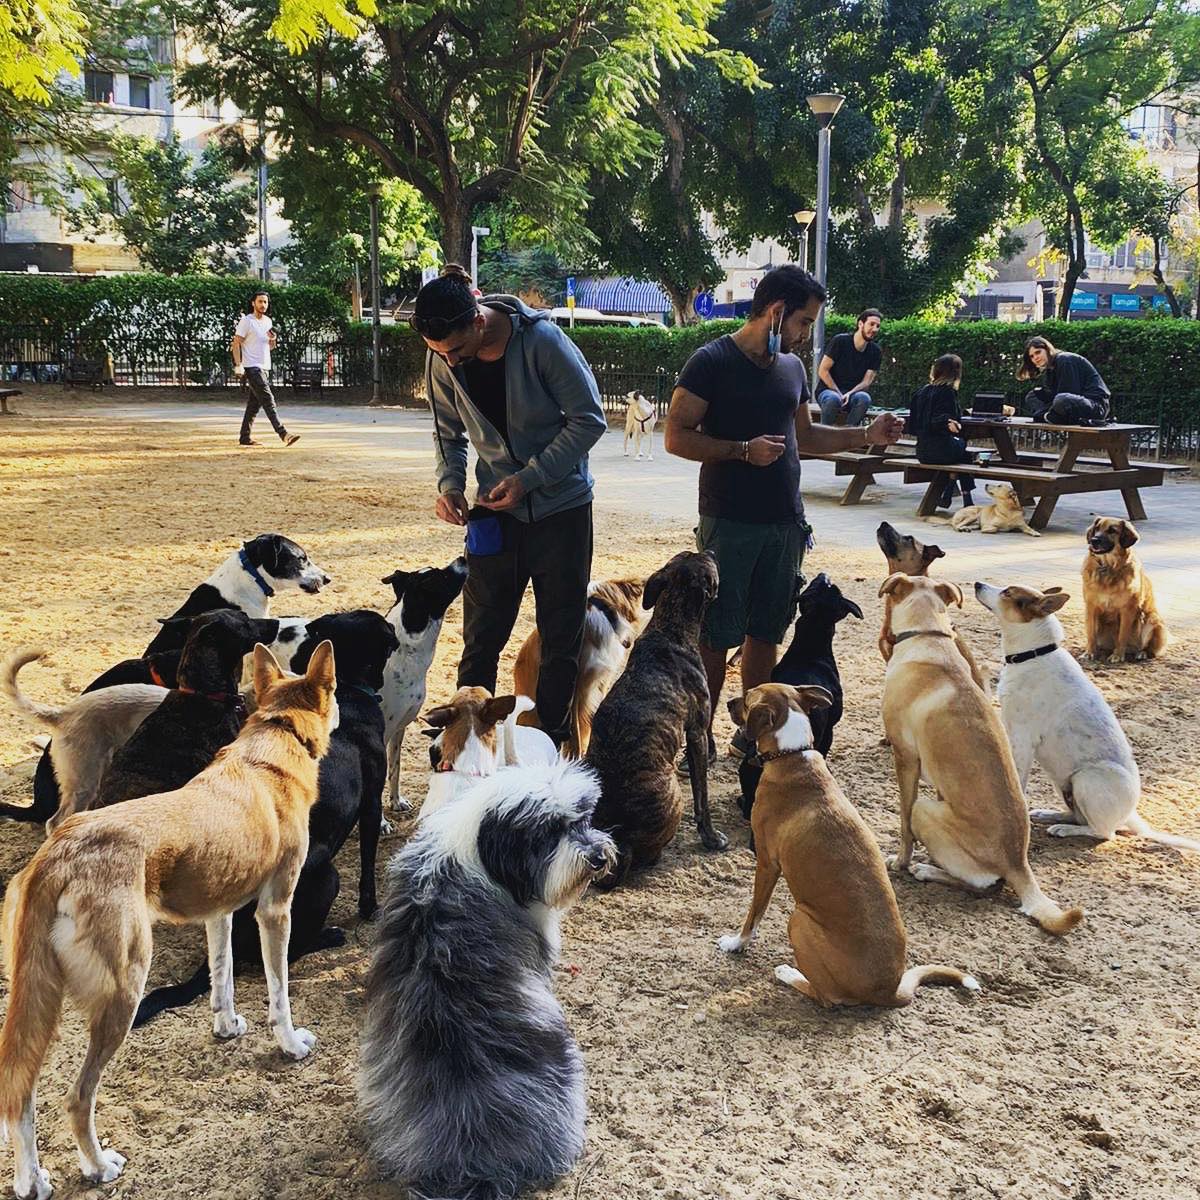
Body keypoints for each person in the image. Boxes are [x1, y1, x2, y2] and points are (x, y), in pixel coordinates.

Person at [665, 267, 904, 758]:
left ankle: (750, 735)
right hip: (728, 522)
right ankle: (701, 738)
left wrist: (866, 437)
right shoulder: (710, 361)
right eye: (802, 322)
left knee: (765, 633)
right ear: (776, 312)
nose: (805, 335)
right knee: (715, 636)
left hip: (785, 525)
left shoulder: (792, 369)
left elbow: (809, 437)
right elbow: (675, 437)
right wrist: (740, 450)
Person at [415, 264, 606, 747]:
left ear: (478, 320)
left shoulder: (543, 342)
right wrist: (450, 484)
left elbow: (589, 421)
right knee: (480, 640)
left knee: (560, 641)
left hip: (562, 510)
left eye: (456, 350)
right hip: (493, 513)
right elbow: (447, 432)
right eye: (440, 355)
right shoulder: (442, 358)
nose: (451, 363)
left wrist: (532, 477)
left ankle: (552, 746)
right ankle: (467, 745)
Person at [232, 290, 300, 447]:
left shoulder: (268, 321)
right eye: (260, 301)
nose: (263, 305)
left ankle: (245, 437)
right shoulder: (247, 321)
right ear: (253, 303)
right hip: (252, 367)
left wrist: (273, 340)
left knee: (253, 405)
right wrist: (238, 364)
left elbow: (269, 347)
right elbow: (236, 343)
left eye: (265, 302)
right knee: (268, 400)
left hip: (264, 367)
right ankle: (284, 434)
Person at [907, 353, 975, 510]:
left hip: (922, 452)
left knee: (957, 453)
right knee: (963, 451)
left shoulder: (920, 392)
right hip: (941, 451)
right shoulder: (947, 392)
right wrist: (949, 423)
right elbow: (948, 421)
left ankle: (949, 494)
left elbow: (914, 426)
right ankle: (965, 498)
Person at [1018, 335, 1110, 424]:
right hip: (1068, 403)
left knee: (1061, 399)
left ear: (1047, 349)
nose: (1035, 358)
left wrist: (1045, 412)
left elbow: (1070, 393)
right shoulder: (1050, 368)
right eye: (1032, 356)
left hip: (1095, 406)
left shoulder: (1065, 360)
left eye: (1038, 352)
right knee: (1033, 395)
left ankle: (1048, 417)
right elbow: (1051, 394)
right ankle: (1049, 417)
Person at [815, 308, 883, 426]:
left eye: (878, 326)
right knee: (833, 399)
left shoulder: (875, 351)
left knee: (864, 398)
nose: (875, 329)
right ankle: (824, 437)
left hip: (853, 394)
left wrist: (850, 393)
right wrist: (838, 392)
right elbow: (822, 371)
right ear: (860, 324)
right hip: (828, 390)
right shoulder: (840, 341)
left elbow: (867, 381)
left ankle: (849, 434)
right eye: (871, 324)